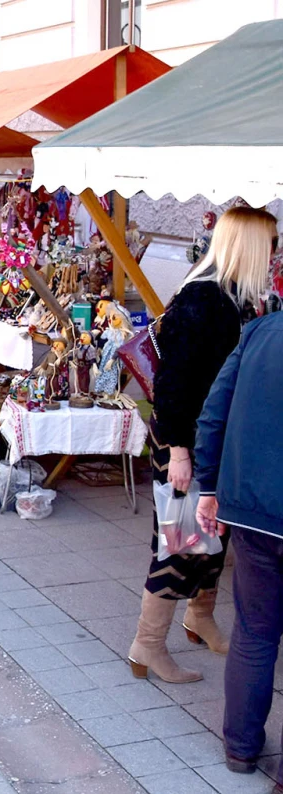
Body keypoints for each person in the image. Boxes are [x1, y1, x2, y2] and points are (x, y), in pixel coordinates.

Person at [127, 206, 278, 685]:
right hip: (186, 443)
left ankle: (200, 618)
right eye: (271, 245)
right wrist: (178, 451)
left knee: (214, 541)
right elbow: (172, 384)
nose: (276, 254)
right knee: (181, 544)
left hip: (218, 444)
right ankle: (147, 645)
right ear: (251, 247)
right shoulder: (202, 299)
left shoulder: (244, 299)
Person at [193, 308, 283, 777]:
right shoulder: (257, 330)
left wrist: (209, 487)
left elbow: (214, 413)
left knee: (254, 631)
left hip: (254, 512)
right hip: (255, 512)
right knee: (254, 631)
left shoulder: (259, 332)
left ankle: (241, 750)